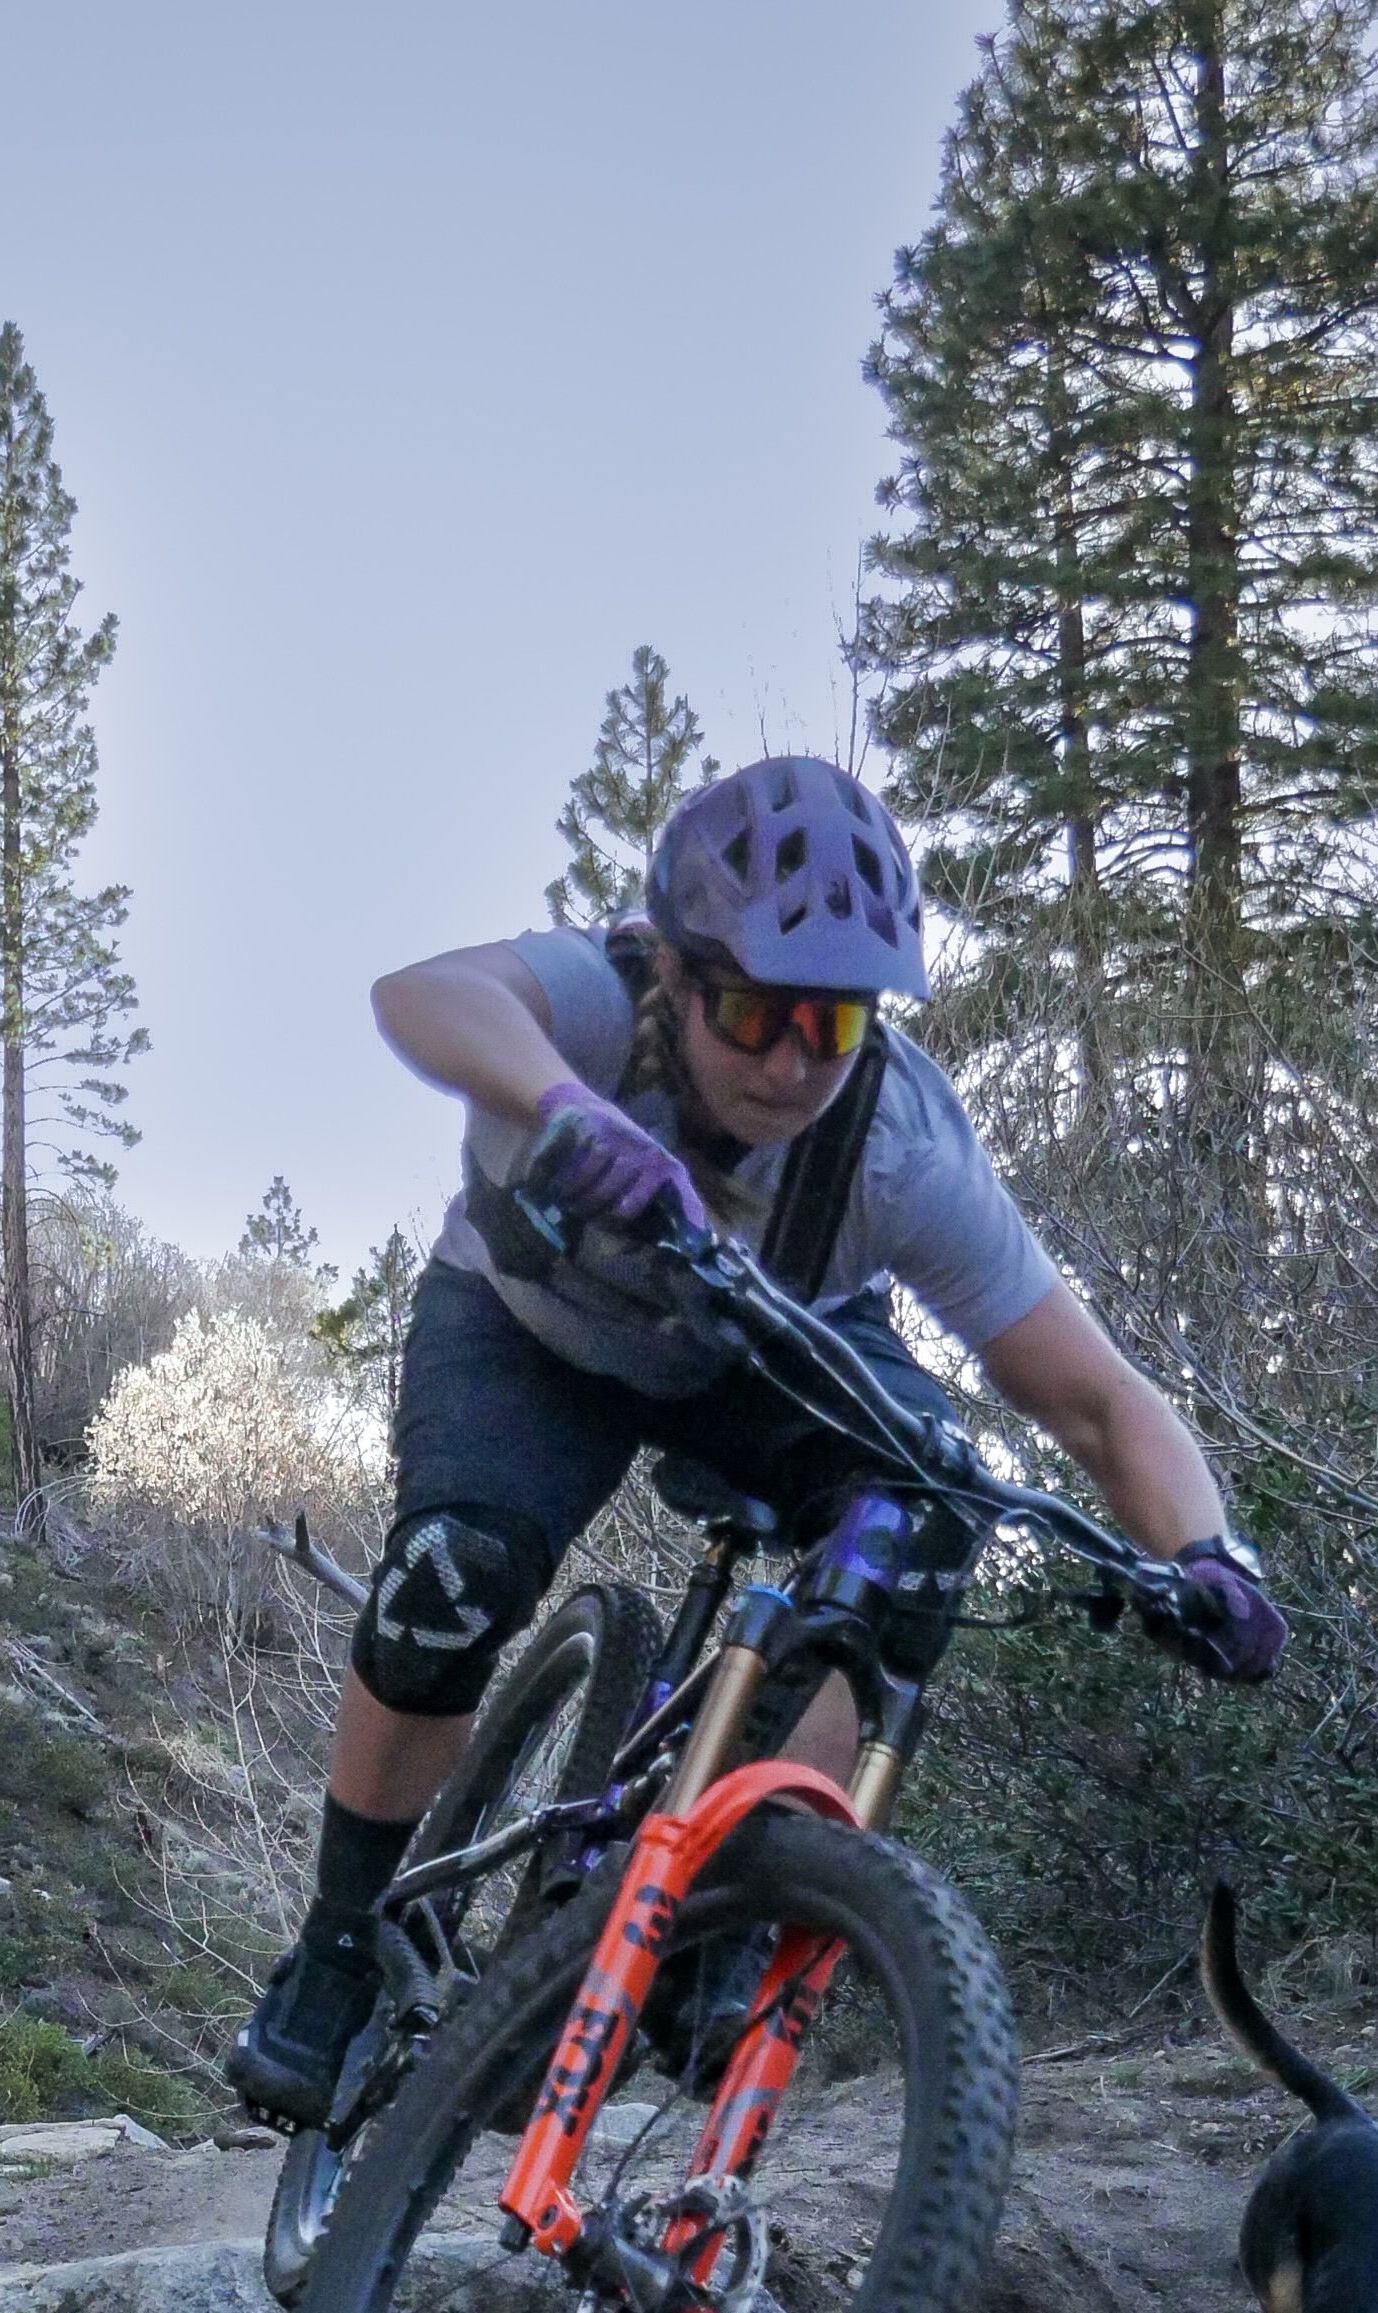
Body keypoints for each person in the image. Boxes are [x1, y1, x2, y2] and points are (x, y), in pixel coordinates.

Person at [226, 754, 1282, 2130]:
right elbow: (423, 995)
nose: (792, 1063)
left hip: (762, 1347)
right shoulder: (601, 1000)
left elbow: (1094, 1399)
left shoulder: (897, 1143)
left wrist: (1210, 1556)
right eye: (752, 1011)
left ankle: (732, 1886)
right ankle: (340, 1943)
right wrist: (571, 1111)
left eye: (834, 1026)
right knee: (450, 1579)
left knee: (932, 1508)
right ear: (673, 971)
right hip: (528, 1334)